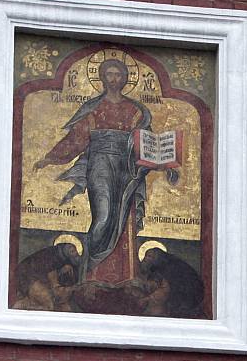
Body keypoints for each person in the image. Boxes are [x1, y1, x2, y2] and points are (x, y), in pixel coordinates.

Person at [34, 58, 177, 282]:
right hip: (100, 164)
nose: (113, 79)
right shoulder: (94, 108)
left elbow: (149, 145)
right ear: (102, 77)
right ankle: (90, 270)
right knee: (102, 216)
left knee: (123, 215)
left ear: (125, 79)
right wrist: (49, 158)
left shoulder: (135, 110)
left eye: (118, 74)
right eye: (109, 74)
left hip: (127, 168)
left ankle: (123, 275)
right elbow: (76, 140)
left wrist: (167, 164)